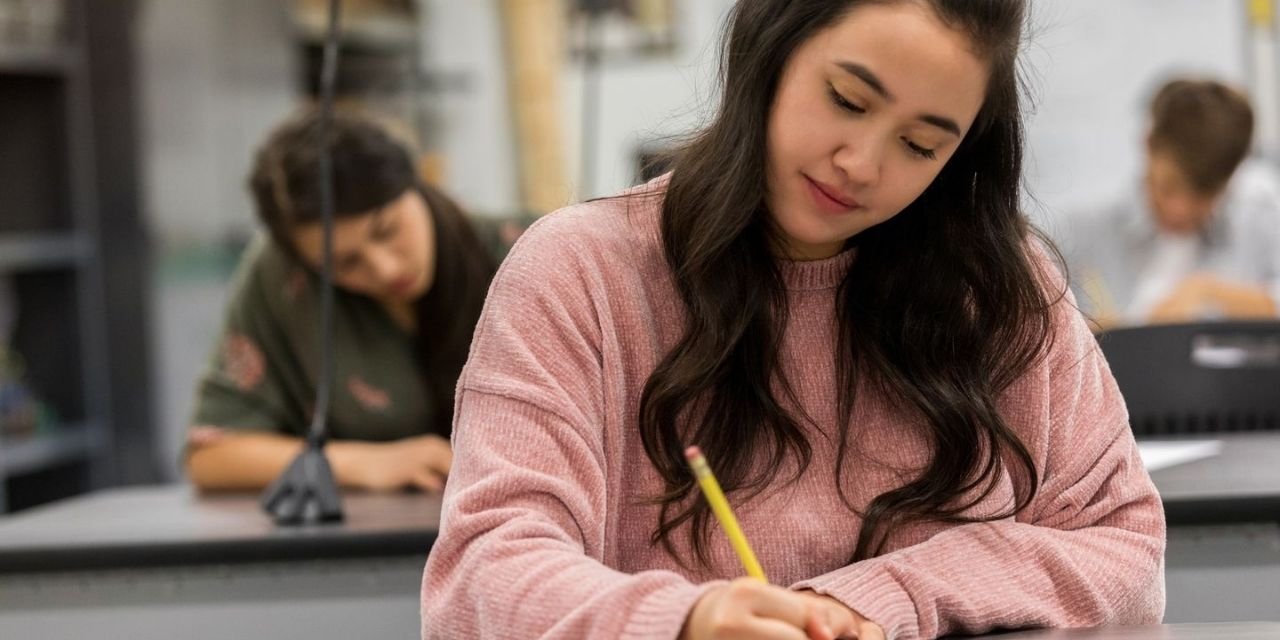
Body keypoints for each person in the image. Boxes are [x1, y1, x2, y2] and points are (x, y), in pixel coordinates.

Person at [422, 1, 1165, 638]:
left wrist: (888, 596)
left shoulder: (1000, 291)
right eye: (847, 99)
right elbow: (482, 574)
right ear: (770, 51)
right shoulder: (581, 272)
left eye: (920, 144)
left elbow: (1124, 549)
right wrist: (684, 621)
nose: (863, 163)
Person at [185, 109, 497, 493]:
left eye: (388, 230)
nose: (384, 269)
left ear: (417, 182)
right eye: (344, 263)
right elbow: (211, 455)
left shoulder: (528, 251)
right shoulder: (284, 280)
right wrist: (364, 463)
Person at [1064, 77, 1280, 327]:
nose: (1180, 209)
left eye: (1202, 198)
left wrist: (1209, 292)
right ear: (1148, 145)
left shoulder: (1257, 219)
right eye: (1168, 187)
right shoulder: (1081, 230)